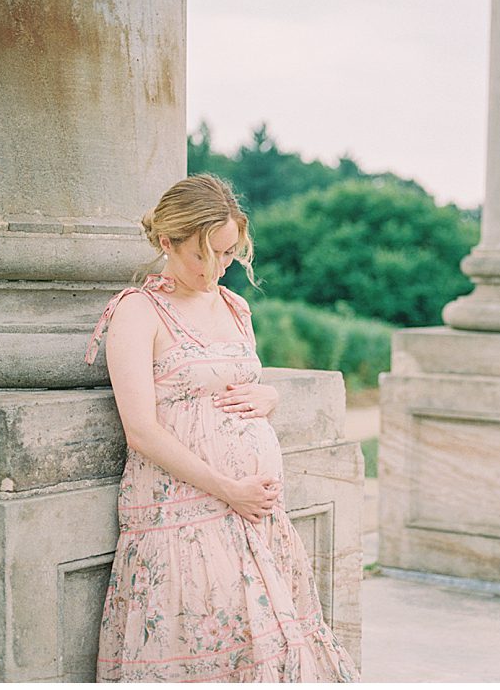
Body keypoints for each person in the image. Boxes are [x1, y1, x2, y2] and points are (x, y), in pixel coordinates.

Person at [84, 174, 359, 682]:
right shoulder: (137, 312)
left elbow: (241, 382)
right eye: (203, 255)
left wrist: (270, 395)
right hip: (185, 512)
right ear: (167, 242)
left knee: (267, 653)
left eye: (229, 253)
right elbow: (141, 432)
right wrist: (229, 489)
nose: (218, 268)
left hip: (254, 512)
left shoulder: (235, 306)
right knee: (207, 657)